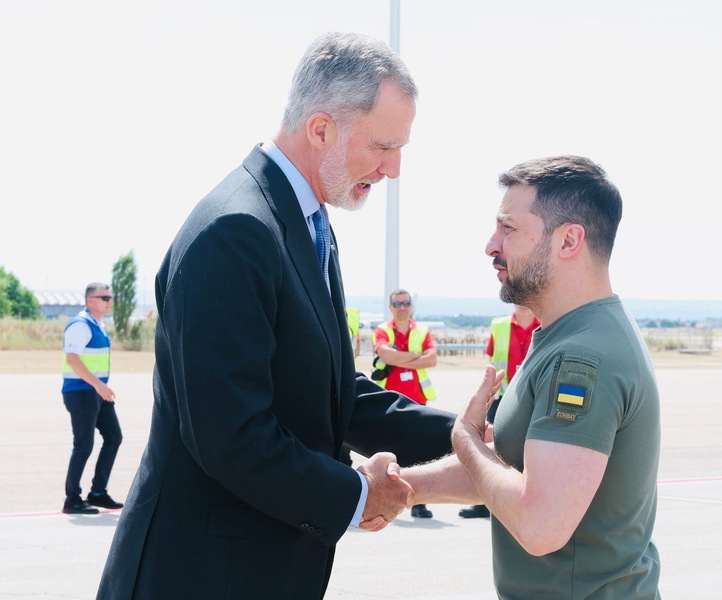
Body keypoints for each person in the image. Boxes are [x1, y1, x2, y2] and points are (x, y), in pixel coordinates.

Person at [97, 33, 456, 600]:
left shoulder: (302, 221)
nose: (394, 169)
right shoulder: (236, 231)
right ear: (320, 130)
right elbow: (230, 436)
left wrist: (464, 435)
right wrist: (357, 494)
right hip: (201, 576)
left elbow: (331, 391)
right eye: (384, 146)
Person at [404, 156, 661, 598]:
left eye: (508, 228)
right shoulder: (568, 335)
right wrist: (401, 489)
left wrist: (466, 440)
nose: (491, 245)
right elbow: (511, 474)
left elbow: (539, 523)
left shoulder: (583, 356)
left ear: (568, 240)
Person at [458, 304, 539, 519]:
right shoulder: (499, 326)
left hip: (533, 397)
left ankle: (524, 502)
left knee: (532, 449)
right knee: (493, 449)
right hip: (503, 396)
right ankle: (483, 504)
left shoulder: (547, 323)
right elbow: (493, 360)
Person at [372, 289, 438, 518]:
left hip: (418, 400)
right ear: (390, 307)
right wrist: (415, 357)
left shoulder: (422, 330)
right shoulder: (382, 330)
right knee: (390, 454)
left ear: (411, 306)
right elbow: (387, 357)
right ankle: (386, 499)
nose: (402, 307)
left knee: (419, 453)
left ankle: (418, 502)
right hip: (389, 400)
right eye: (397, 303)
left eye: (406, 303)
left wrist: (400, 357)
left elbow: (432, 359)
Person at [61, 282, 123, 514]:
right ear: (90, 301)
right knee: (84, 445)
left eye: (110, 297)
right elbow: (73, 360)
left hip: (96, 391)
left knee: (114, 437)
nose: (110, 301)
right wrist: (98, 385)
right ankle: (72, 499)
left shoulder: (99, 325)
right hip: (81, 392)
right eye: (105, 298)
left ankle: (97, 492)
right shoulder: (80, 325)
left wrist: (100, 386)